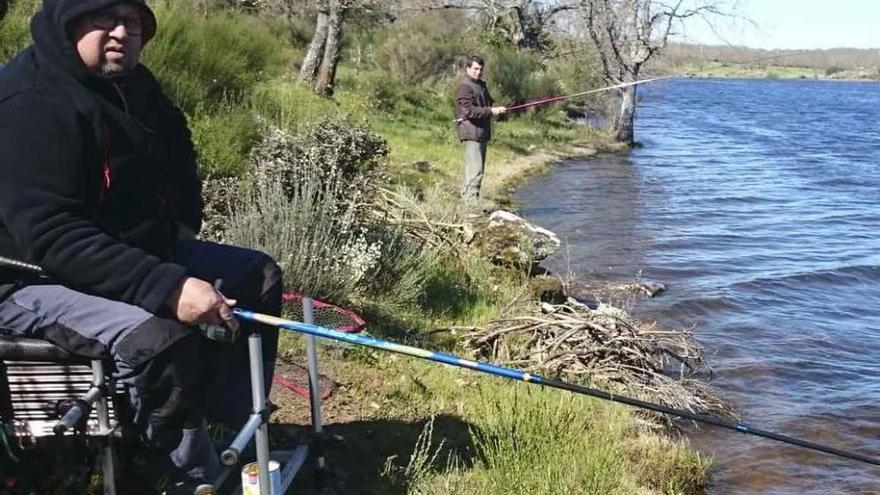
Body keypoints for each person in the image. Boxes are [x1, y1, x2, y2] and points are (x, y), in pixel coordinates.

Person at [0, 0, 282, 491]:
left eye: (132, 21)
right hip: (31, 277)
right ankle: (188, 476)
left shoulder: (133, 83)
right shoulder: (30, 102)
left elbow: (177, 143)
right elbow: (51, 235)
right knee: (157, 338)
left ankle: (230, 426)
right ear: (66, 23)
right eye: (103, 18)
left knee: (255, 276)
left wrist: (183, 226)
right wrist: (168, 288)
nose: (121, 32)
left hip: (120, 254)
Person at [454, 55, 506, 204]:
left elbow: (489, 102)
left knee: (477, 170)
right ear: (468, 68)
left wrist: (497, 108)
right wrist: (491, 111)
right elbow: (468, 111)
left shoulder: (481, 85)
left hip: (481, 133)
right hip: (471, 133)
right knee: (475, 171)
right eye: (475, 69)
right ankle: (471, 205)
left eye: (481, 69)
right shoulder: (464, 86)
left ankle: (468, 202)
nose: (478, 72)